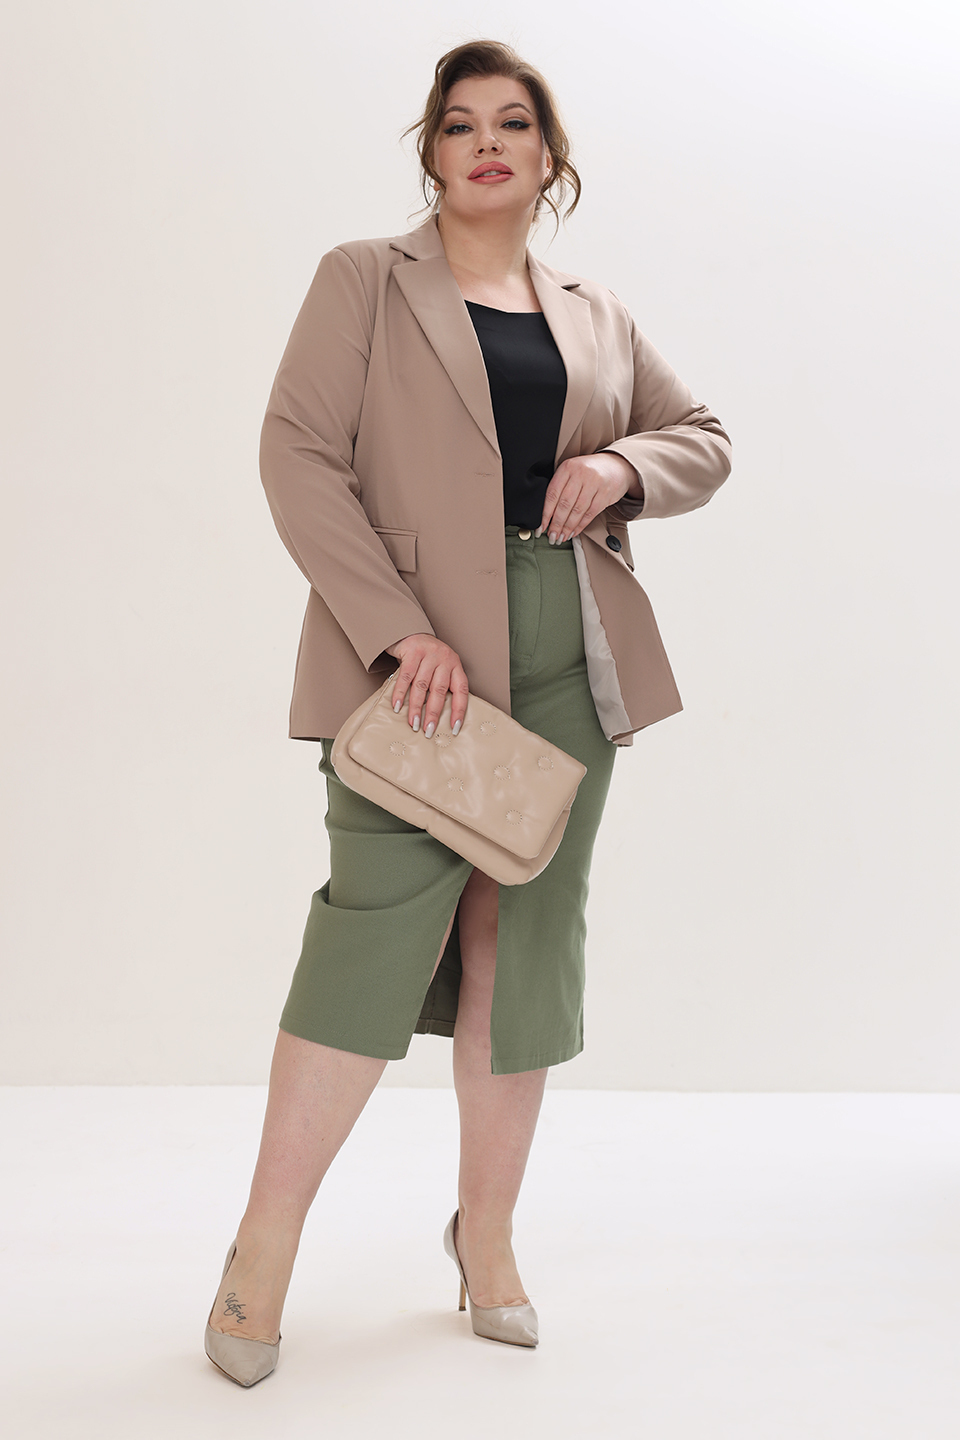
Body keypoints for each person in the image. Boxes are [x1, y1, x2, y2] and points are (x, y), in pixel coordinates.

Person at [204, 39, 731, 1386]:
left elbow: (705, 437)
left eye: (513, 123)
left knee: (524, 941)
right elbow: (295, 454)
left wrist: (623, 464)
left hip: (568, 656)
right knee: (370, 933)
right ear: (431, 152)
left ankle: (485, 1234)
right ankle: (263, 1245)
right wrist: (397, 630)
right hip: (416, 661)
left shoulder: (595, 310)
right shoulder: (363, 281)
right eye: (459, 123)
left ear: (550, 159)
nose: (487, 142)